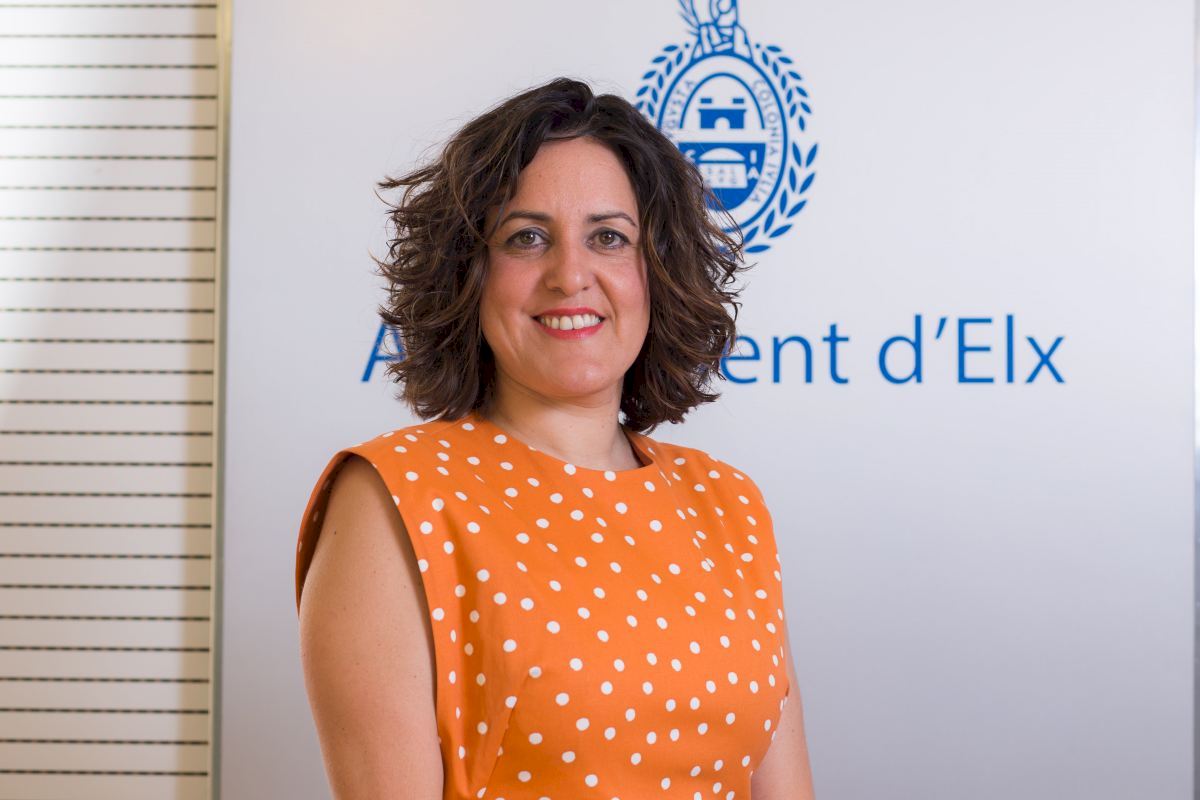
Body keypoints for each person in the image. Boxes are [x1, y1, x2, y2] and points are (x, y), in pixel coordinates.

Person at [294, 76, 815, 799]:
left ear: (657, 273)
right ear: (469, 275)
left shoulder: (729, 503)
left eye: (609, 237)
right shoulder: (393, 500)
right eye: (527, 237)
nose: (571, 275)